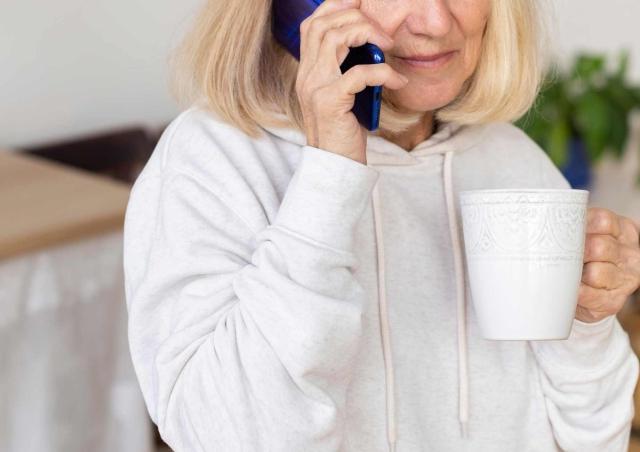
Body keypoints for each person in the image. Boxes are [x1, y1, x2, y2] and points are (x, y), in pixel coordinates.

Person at [123, 0, 640, 450]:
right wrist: (329, 175)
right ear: (295, 7)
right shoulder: (212, 160)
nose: (436, 21)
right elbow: (240, 440)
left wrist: (586, 323)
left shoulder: (512, 161)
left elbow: (596, 437)